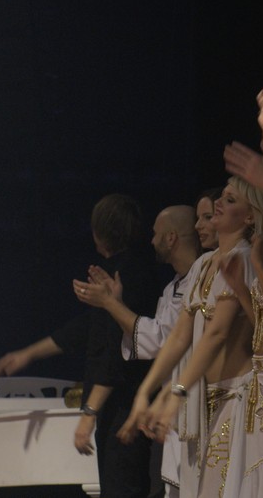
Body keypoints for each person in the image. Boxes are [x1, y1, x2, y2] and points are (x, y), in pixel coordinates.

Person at [119, 178, 263, 498]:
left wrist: (176, 391)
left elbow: (217, 333)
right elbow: (180, 337)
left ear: (249, 216)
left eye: (229, 200)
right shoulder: (204, 264)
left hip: (235, 399)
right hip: (203, 401)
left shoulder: (242, 259)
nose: (218, 203)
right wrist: (146, 392)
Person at [0, 193, 161, 497]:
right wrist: (28, 353)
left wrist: (88, 413)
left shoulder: (127, 275)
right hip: (118, 407)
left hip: (124, 407)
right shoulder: (122, 270)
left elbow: (114, 354)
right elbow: (85, 330)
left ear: (98, 231)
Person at [75, 203, 204, 498]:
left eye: (156, 234)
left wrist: (111, 304)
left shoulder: (202, 276)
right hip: (175, 402)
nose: (151, 240)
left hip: (196, 396)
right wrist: (116, 302)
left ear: (171, 237)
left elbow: (159, 340)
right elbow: (153, 340)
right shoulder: (173, 286)